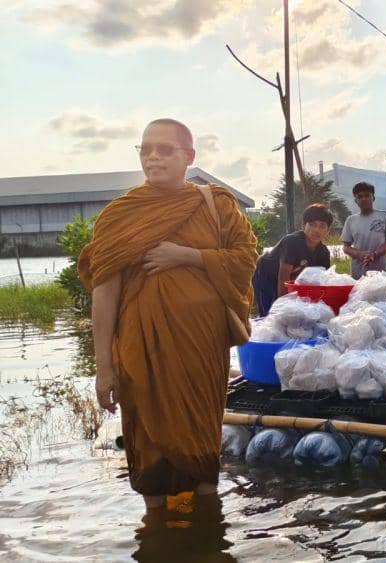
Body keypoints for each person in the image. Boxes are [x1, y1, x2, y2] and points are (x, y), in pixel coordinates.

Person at [80, 118, 257, 511]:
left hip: (201, 350)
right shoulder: (119, 216)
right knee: (149, 449)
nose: (153, 158)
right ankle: (158, 530)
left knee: (201, 451)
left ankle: (207, 536)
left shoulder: (217, 205)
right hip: (141, 349)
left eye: (165, 149)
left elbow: (247, 259)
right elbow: (104, 293)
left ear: (189, 156)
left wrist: (189, 256)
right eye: (146, 149)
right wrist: (104, 367)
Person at [251, 204, 332, 316]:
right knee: (271, 312)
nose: (317, 230)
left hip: (291, 277)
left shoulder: (324, 253)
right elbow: (283, 277)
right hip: (266, 274)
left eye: (322, 226)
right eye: (312, 225)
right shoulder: (292, 242)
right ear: (303, 226)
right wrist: (284, 308)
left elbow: (321, 282)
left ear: (328, 230)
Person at [341, 182, 386, 279]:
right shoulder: (350, 220)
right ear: (355, 200)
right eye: (360, 196)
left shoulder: (384, 216)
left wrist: (374, 254)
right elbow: (346, 247)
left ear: (373, 198)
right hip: (358, 274)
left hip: (380, 273)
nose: (364, 199)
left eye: (367, 195)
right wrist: (359, 254)